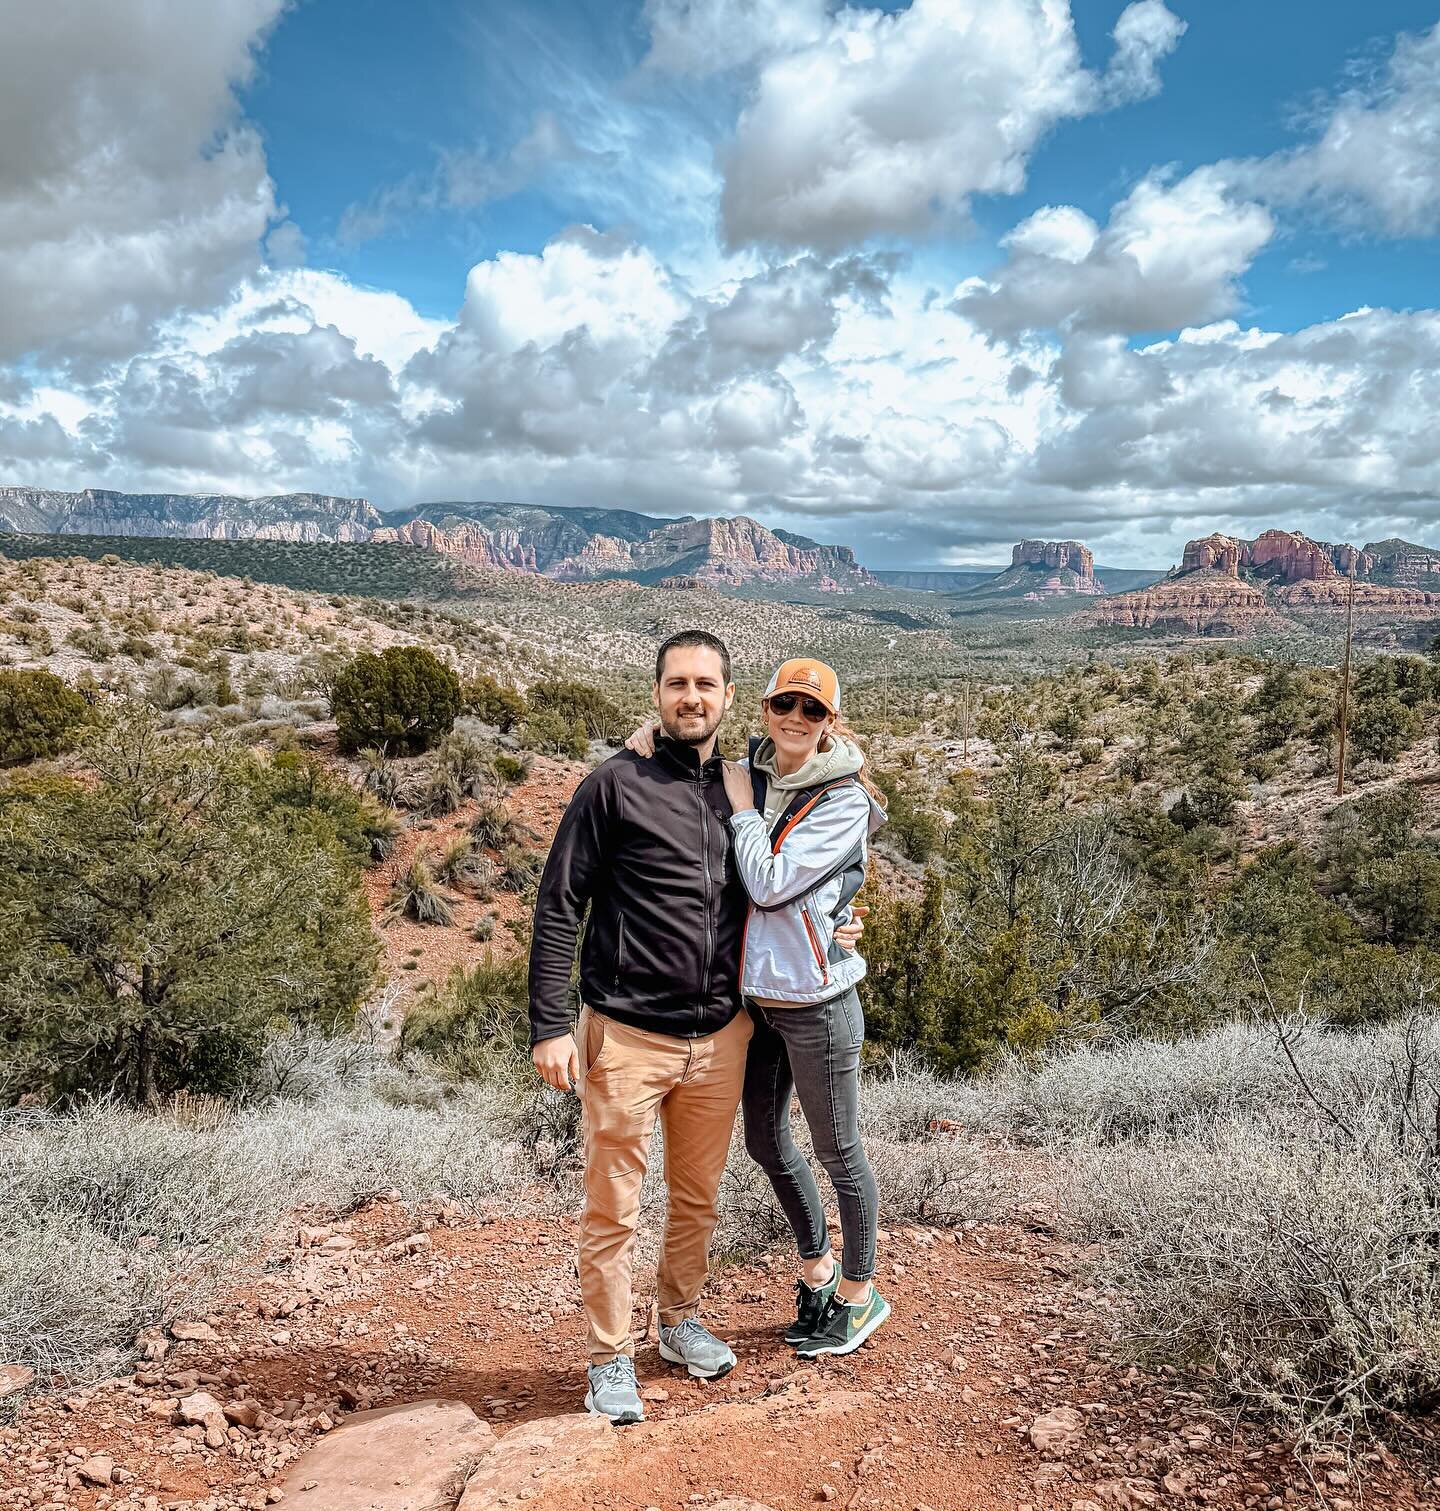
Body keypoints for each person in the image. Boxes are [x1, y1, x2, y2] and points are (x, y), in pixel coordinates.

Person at [527, 631, 864, 1426]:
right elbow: (558, 903)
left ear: (725, 695)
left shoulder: (751, 784)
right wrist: (549, 1023)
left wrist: (841, 920)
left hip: (723, 1036)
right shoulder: (614, 783)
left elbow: (810, 865)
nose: (691, 697)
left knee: (696, 1197)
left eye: (705, 684)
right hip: (626, 1033)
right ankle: (610, 1357)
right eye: (677, 683)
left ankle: (677, 1321)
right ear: (655, 694)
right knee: (613, 1206)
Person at [628, 657, 890, 1358]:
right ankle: (817, 1271)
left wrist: (744, 810)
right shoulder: (754, 769)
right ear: (767, 708)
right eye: (785, 705)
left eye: (812, 710)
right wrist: (644, 737)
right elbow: (686, 774)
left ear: (830, 721)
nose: (796, 720)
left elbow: (771, 885)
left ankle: (861, 1294)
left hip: (818, 1003)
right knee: (766, 1142)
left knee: (838, 1150)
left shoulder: (844, 801)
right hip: (758, 999)